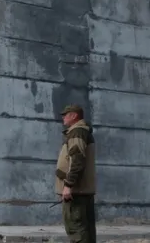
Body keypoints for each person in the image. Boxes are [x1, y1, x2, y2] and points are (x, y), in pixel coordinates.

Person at [55, 104, 97, 243]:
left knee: (77, 230)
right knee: (86, 231)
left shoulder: (76, 132)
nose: (63, 118)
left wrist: (68, 186)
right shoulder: (83, 132)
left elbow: (77, 161)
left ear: (74, 116)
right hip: (82, 191)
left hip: (76, 192)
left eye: (65, 115)